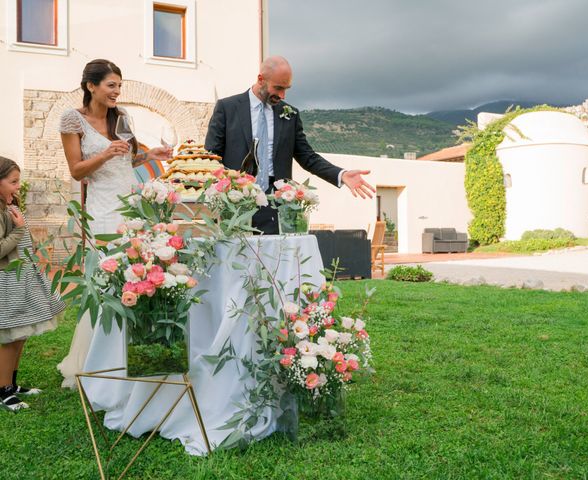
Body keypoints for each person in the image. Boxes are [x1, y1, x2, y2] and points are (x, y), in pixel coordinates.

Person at [57, 59, 172, 388]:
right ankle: (93, 361)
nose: (117, 91)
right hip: (103, 208)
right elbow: (77, 170)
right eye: (111, 85)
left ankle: (126, 356)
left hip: (131, 204)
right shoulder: (72, 119)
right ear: (91, 86)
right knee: (105, 281)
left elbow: (126, 159)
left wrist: (150, 156)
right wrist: (106, 154)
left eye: (119, 86)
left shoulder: (121, 117)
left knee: (135, 276)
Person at [204, 55, 375, 234]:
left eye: (286, 89)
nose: (282, 95)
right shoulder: (227, 108)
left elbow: (307, 157)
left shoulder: (290, 114)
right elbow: (211, 157)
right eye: (277, 88)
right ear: (260, 79)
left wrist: (341, 174)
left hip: (277, 202)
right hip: (234, 202)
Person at [0, 157, 66, 412]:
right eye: (13, 182)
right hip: (7, 280)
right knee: (11, 336)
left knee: (22, 334)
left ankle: (11, 383)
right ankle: (3, 390)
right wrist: (18, 231)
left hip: (22, 277)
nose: (18, 187)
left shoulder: (9, 207)